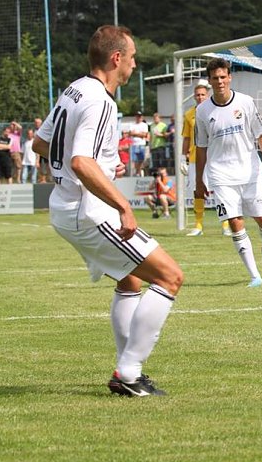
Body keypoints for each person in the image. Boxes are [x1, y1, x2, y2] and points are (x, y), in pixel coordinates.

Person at [32, 25, 183, 397]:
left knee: (129, 280)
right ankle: (128, 374)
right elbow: (81, 162)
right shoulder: (101, 99)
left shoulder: (74, 89)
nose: (134, 64)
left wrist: (101, 163)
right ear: (117, 59)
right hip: (90, 209)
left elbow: (40, 143)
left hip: (66, 205)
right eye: (132, 57)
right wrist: (122, 205)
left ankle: (126, 367)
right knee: (169, 277)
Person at [195, 57, 262, 287]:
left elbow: (261, 133)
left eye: (223, 77)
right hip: (220, 175)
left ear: (230, 77)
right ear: (210, 81)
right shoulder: (202, 111)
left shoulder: (246, 102)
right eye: (215, 78)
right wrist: (199, 182)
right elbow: (201, 148)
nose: (220, 81)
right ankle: (255, 276)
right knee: (234, 221)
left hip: (249, 170)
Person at [180, 80, 231, 237]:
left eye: (203, 94)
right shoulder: (189, 114)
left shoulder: (216, 110)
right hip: (196, 158)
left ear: (207, 95)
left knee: (220, 189)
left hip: (216, 156)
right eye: (197, 95)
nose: (200, 97)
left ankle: (226, 225)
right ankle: (198, 225)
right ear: (194, 97)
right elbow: (186, 137)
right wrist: (183, 157)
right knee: (198, 190)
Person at [128, 111, 149, 176]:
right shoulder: (132, 124)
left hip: (141, 144)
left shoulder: (144, 125)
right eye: (137, 116)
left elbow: (145, 134)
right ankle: (137, 172)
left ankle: (138, 171)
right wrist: (140, 134)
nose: (138, 117)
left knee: (141, 159)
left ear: (142, 117)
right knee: (134, 160)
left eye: (140, 116)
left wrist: (135, 134)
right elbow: (130, 133)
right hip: (134, 144)